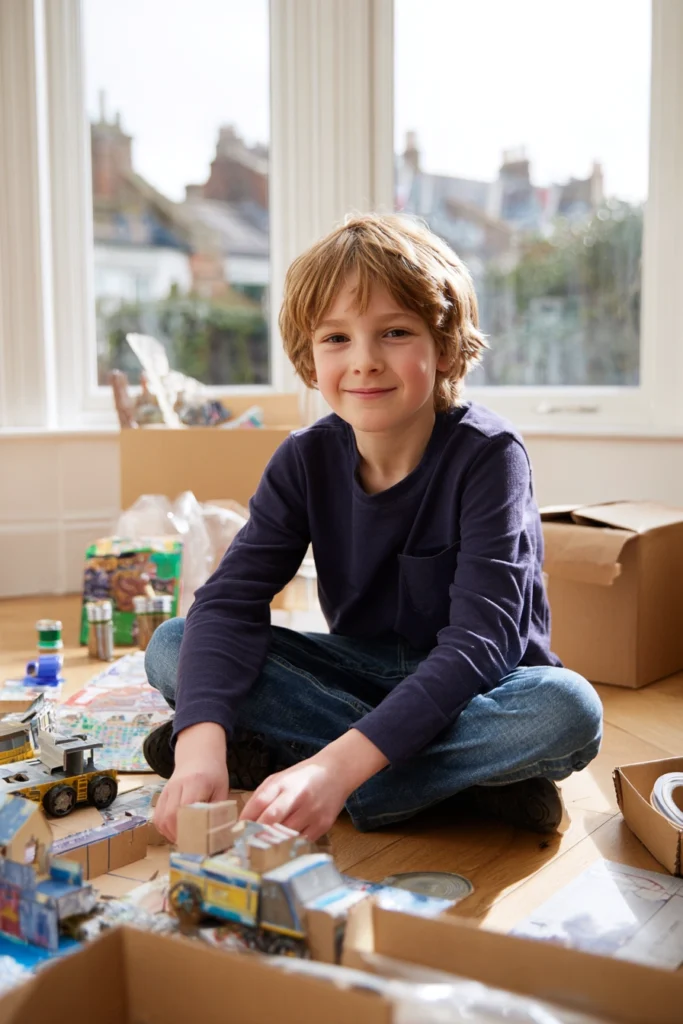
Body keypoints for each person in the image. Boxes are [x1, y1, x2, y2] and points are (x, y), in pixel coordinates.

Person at [145, 213, 603, 843]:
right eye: (336, 338)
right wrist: (198, 750)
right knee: (173, 644)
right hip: (360, 670)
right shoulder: (304, 459)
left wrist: (335, 768)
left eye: (393, 332)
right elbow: (228, 602)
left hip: (483, 685)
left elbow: (480, 645)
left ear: (443, 346)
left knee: (567, 710)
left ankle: (308, 764)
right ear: (309, 355)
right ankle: (468, 784)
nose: (363, 362)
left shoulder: (491, 457)